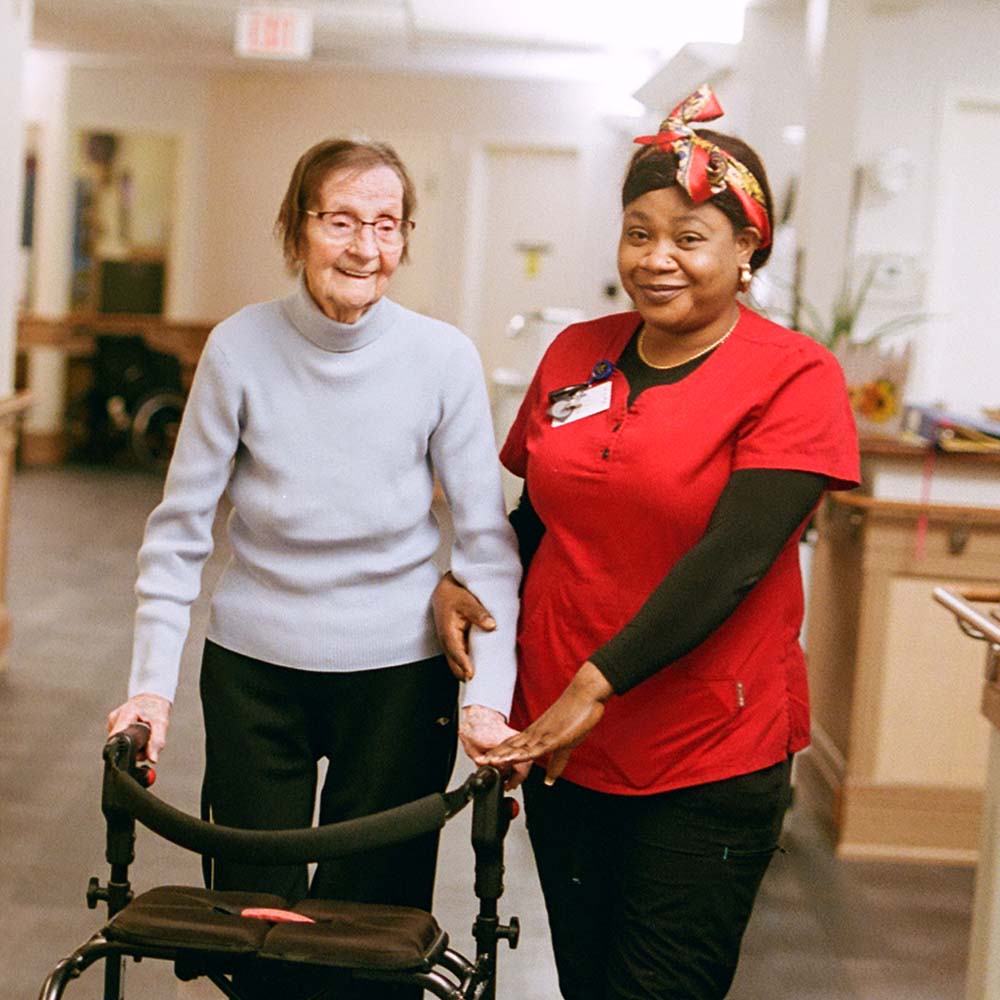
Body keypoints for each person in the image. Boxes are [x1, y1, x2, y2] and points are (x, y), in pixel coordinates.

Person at [439, 85, 861, 1000]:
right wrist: (467, 577)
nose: (656, 258)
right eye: (639, 232)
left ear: (747, 249)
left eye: (688, 237)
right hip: (563, 744)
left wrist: (594, 685)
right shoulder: (575, 353)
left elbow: (733, 560)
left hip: (704, 748)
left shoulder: (795, 376)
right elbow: (540, 516)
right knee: (587, 980)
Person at [106, 138, 522, 999]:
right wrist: (150, 688)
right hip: (256, 672)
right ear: (296, 228)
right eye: (341, 221)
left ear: (405, 237)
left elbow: (486, 544)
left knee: (369, 939)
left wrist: (488, 700)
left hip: (400, 677)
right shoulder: (238, 348)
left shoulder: (442, 358)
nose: (365, 247)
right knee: (252, 931)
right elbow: (179, 532)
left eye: (387, 224)